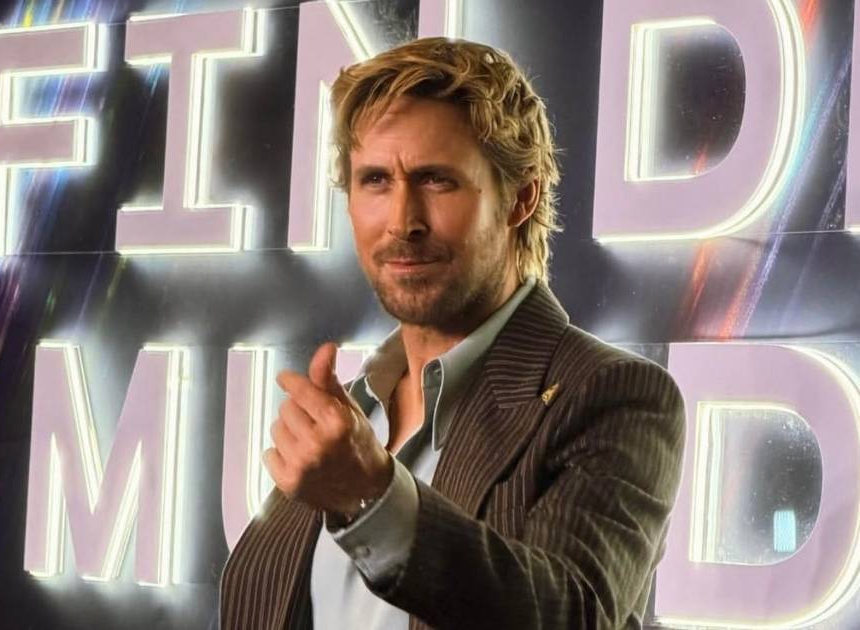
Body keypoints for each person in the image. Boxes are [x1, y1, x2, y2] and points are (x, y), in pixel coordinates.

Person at [221, 36, 685, 630]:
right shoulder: (353, 413)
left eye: (436, 180)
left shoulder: (612, 394)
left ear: (520, 199)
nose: (402, 222)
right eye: (375, 180)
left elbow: (573, 615)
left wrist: (374, 497)